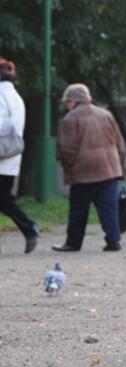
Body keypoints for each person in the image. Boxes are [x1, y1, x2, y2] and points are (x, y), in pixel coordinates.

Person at [53, 83, 126, 252]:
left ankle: (73, 243)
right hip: (110, 168)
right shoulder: (106, 114)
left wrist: (68, 167)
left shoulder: (70, 118)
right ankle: (114, 241)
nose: (66, 105)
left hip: (84, 170)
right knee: (109, 207)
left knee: (78, 209)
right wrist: (120, 167)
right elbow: (120, 145)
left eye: (67, 102)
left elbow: (67, 149)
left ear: (73, 101)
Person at [0, 56, 39, 254]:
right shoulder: (17, 97)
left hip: (2, 155)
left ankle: (29, 226)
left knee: (4, 199)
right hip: (12, 157)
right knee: (4, 198)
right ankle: (28, 228)